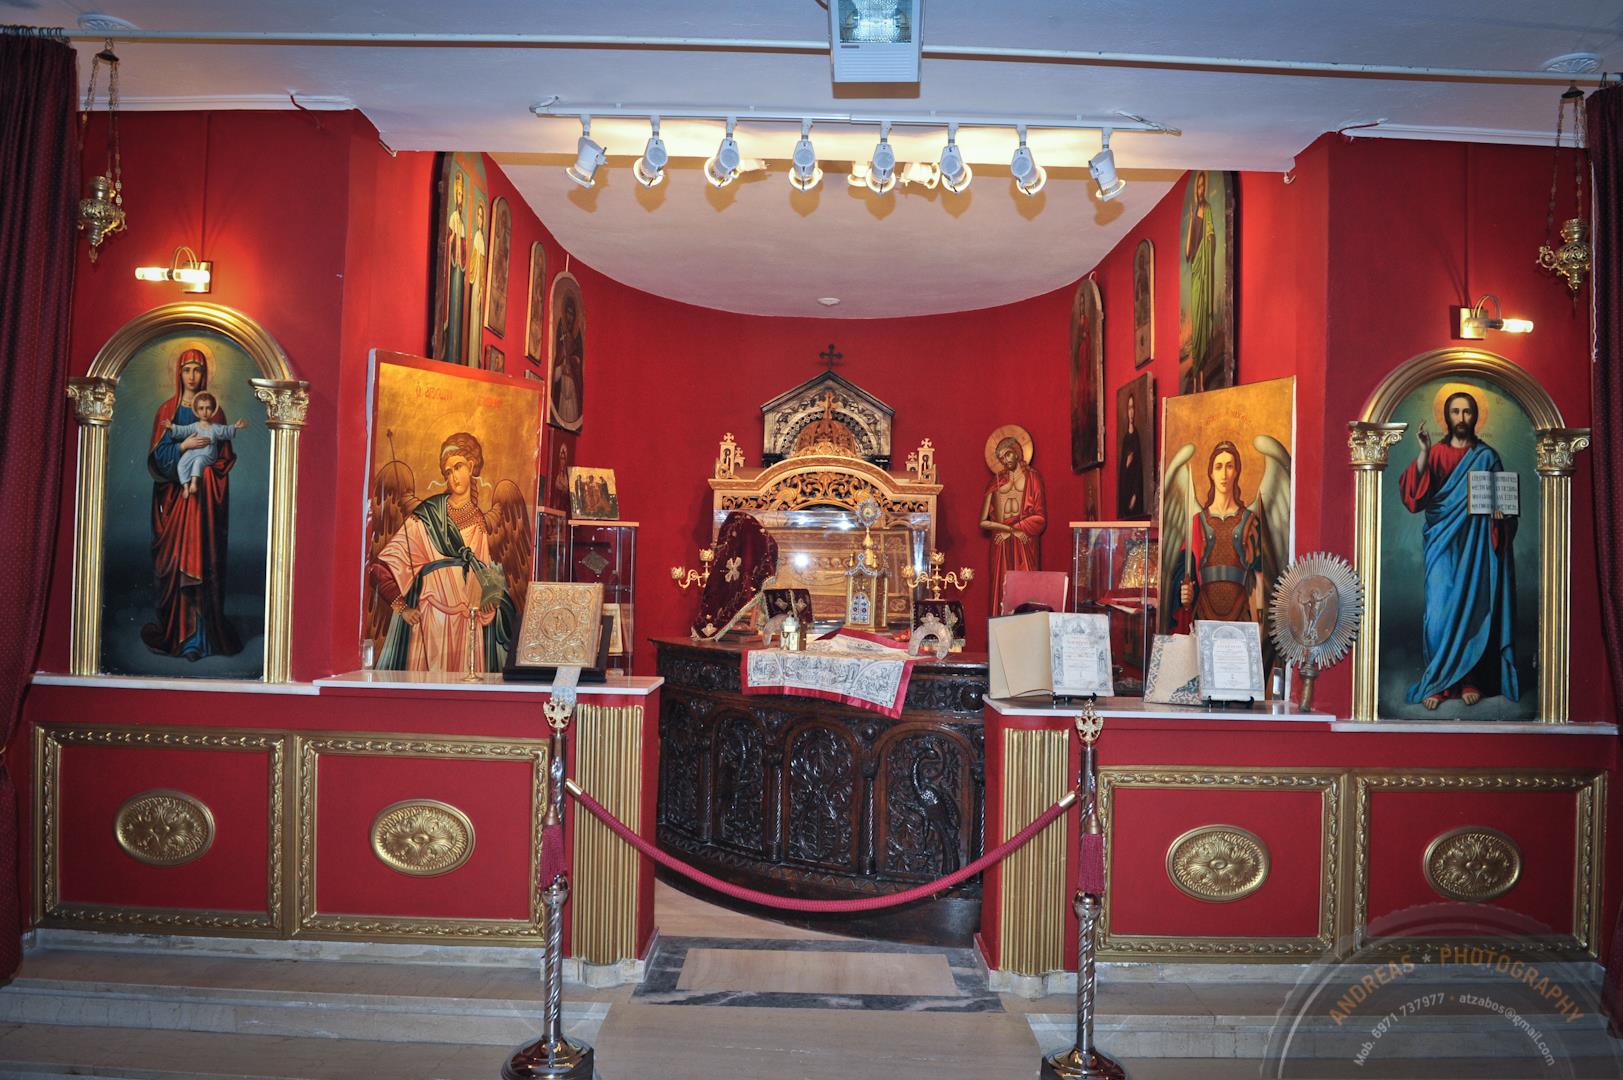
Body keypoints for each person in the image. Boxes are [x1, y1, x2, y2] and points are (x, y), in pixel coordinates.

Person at [1398, 391, 1518, 710]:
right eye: (1455, 412)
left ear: (1475, 416)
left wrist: (1500, 517)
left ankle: (1468, 680)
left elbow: (1504, 504)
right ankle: (1439, 682)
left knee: (1472, 608)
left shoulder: (1487, 457)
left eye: (1467, 412)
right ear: (1447, 416)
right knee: (1438, 613)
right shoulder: (1436, 453)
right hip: (1442, 539)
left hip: (1476, 543)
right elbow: (1414, 496)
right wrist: (1424, 452)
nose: (1461, 418)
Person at [367, 432, 515, 673]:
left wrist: (490, 603)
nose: (453, 476)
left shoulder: (478, 520)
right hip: (432, 615)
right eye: (448, 471)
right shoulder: (429, 515)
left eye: (458, 467)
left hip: (468, 620)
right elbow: (380, 567)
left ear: (471, 466)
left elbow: (485, 572)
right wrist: (402, 608)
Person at [142, 347, 244, 660]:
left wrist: (207, 472)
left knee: (203, 561)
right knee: (175, 567)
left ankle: (203, 638)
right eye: (187, 369)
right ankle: (178, 635)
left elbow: (223, 460)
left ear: (205, 374)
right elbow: (158, 459)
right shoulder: (167, 411)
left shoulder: (216, 413)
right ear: (178, 373)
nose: (192, 376)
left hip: (203, 509)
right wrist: (183, 446)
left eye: (197, 369)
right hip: (174, 501)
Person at [1171, 441, 1266, 631]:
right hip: (1203, 615)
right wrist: (1184, 593)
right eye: (1218, 467)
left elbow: (1258, 578)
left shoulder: (1250, 521)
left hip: (1240, 616)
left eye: (1229, 466)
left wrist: (1259, 624)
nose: (1224, 474)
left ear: (1236, 471)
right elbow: (1185, 575)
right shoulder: (1197, 523)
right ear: (1211, 473)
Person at [979, 434, 1047, 616]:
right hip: (1001, 542)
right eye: (1001, 458)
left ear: (1017, 452)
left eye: (1008, 454)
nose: (1005, 460)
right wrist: (1010, 530)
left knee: (1026, 591)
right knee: (1002, 590)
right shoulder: (995, 482)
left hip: (1025, 542)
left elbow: (1040, 518)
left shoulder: (1033, 478)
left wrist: (1017, 529)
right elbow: (983, 521)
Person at [167, 392, 248, 497]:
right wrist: (172, 427)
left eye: (208, 408)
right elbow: (183, 430)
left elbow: (225, 431)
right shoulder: (194, 426)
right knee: (182, 463)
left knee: (198, 461)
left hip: (208, 454)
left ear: (213, 410)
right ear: (196, 411)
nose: (204, 412)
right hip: (193, 452)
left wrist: (235, 426)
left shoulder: (215, 427)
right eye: (201, 408)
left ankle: (194, 484)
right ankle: (185, 487)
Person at [1182, 171, 1216, 392]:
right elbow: (1188, 253)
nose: (1201, 190)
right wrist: (1191, 223)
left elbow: (1211, 235)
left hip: (1205, 269)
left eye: (1203, 186)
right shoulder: (1195, 213)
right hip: (1196, 270)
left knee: (1204, 318)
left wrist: (1208, 240)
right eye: (1199, 186)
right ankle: (1196, 381)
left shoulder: (1209, 209)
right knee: (1196, 319)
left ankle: (1202, 382)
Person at [552, 293, 583, 427]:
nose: (569, 317)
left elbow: (578, 374)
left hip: (572, 396)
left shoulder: (577, 342)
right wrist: (562, 361)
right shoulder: (561, 340)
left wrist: (573, 362)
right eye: (568, 313)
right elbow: (555, 377)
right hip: (562, 394)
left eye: (572, 314)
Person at [1118, 391, 1145, 518]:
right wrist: (1127, 464)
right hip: (1126, 488)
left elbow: (1139, 469)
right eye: (1129, 408)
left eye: (1133, 408)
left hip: (1134, 489)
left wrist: (1135, 494)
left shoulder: (1136, 436)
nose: (1131, 412)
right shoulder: (1125, 439)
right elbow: (1122, 472)